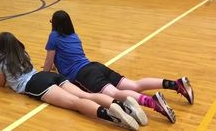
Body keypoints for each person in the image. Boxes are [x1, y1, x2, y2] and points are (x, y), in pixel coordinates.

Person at [43, 10, 195, 124]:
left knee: (114, 93)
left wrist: (44, 75)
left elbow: (49, 62)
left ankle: (152, 102)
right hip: (96, 66)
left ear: (55, 25)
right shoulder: (75, 36)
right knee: (134, 84)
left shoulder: (54, 36)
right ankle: (175, 84)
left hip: (83, 74)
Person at [0, 32, 141, 130]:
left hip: (36, 84)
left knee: (75, 103)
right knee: (86, 95)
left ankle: (112, 117)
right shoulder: (23, 54)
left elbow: (1, 83)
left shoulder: (1, 62)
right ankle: (121, 105)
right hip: (49, 76)